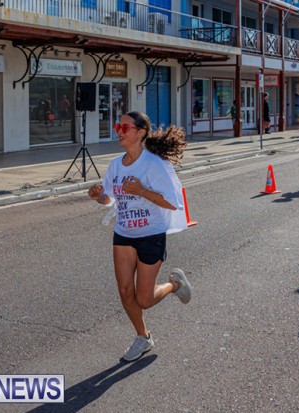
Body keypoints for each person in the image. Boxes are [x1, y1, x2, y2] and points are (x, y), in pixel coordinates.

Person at [87, 111, 193, 362]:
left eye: (125, 127)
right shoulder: (115, 165)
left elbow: (173, 203)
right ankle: (143, 337)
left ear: (141, 132)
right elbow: (110, 199)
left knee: (144, 299)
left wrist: (142, 191)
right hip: (124, 233)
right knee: (125, 292)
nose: (119, 131)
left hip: (151, 235)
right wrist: (99, 196)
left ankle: (175, 285)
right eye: (118, 126)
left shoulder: (155, 165)